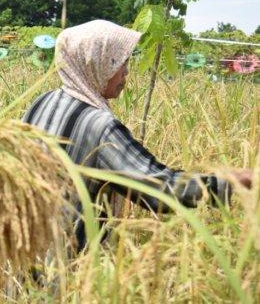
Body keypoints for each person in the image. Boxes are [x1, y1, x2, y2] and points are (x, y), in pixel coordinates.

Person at [22, 19, 253, 252]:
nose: (126, 73)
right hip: (64, 272)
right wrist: (231, 181)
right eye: (118, 63)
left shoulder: (43, 101)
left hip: (24, 257)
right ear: (96, 62)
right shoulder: (100, 127)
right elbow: (160, 189)